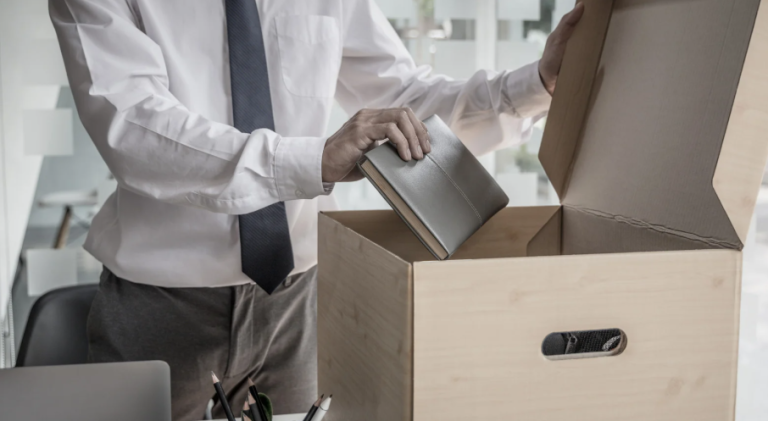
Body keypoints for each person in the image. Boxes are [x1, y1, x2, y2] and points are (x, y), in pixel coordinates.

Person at [50, 0, 583, 419]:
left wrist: (535, 85)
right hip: (160, 310)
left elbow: (404, 102)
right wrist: (314, 159)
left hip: (297, 304)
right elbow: (135, 129)